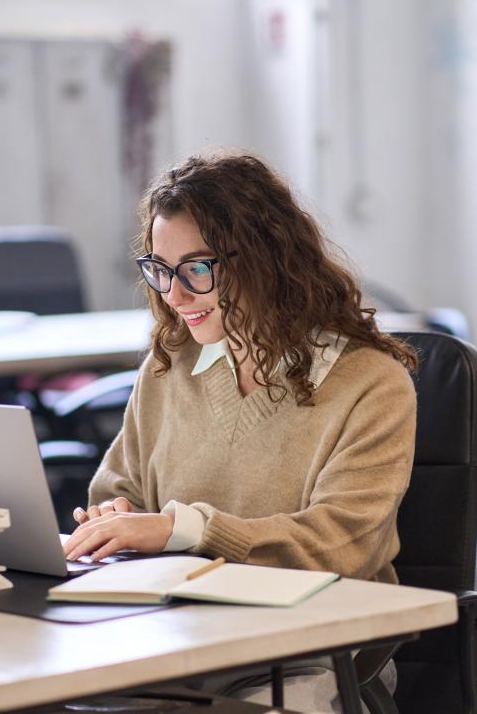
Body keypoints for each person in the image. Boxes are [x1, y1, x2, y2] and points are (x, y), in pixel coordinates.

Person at [62, 151, 418, 711]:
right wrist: (118, 519)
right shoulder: (169, 365)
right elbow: (117, 490)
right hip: (177, 636)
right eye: (159, 268)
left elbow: (341, 545)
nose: (174, 296)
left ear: (265, 259)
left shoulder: (370, 383)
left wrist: (183, 529)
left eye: (196, 269)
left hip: (310, 651)